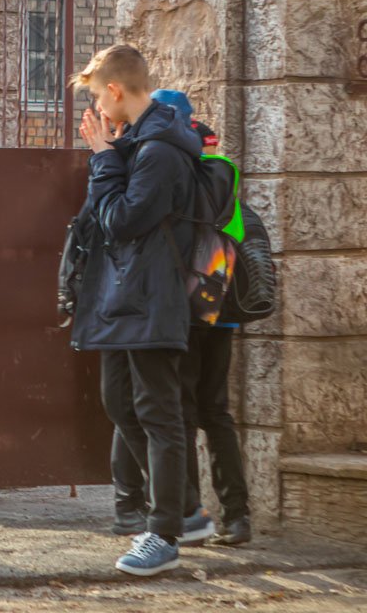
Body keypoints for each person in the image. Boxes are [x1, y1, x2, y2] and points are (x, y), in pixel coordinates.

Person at [70, 45, 198, 577]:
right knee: (120, 402)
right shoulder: (140, 144)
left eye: (99, 95)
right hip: (126, 297)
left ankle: (166, 529)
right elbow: (105, 221)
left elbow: (122, 220)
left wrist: (103, 158)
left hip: (154, 296)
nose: (98, 106)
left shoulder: (162, 150)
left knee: (158, 412)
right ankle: (177, 510)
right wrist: (112, 155)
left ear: (116, 91)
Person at [144, 88, 251, 546]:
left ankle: (191, 514)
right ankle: (237, 515)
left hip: (187, 309)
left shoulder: (178, 167)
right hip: (221, 308)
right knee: (216, 411)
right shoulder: (223, 167)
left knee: (181, 412)